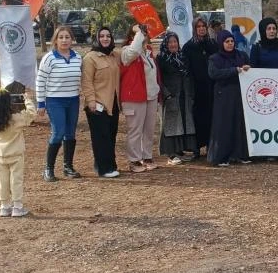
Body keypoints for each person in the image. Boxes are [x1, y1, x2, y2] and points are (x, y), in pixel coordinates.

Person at [36, 26, 83, 182]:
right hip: (55, 100)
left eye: (67, 37)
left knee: (70, 133)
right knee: (58, 132)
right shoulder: (49, 58)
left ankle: (68, 167)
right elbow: (40, 80)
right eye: (61, 37)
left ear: (72, 40)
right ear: (55, 40)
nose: (64, 40)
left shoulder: (78, 57)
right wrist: (40, 103)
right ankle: (48, 169)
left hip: (73, 99)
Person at [0, 87, 36, 217]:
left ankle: (4, 206)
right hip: (16, 154)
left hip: (0, 155)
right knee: (16, 180)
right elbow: (31, 114)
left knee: (2, 181)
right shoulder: (16, 119)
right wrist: (27, 99)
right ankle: (17, 206)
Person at [120, 24, 162, 173]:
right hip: (134, 97)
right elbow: (133, 51)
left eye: (145, 34)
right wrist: (137, 31)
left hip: (150, 96)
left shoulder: (149, 53)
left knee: (149, 129)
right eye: (141, 35)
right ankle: (134, 160)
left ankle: (147, 156)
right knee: (135, 130)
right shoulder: (126, 52)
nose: (145, 37)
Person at [80, 26, 121, 178]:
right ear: (97, 38)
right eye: (102, 36)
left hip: (113, 103)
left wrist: (139, 34)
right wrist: (91, 101)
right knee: (100, 138)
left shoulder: (113, 55)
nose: (105, 38)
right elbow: (86, 82)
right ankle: (103, 168)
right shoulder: (90, 58)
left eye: (108, 36)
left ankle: (111, 165)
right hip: (97, 105)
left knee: (110, 135)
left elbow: (131, 52)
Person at [208, 30, 251, 166]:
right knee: (224, 125)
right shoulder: (214, 58)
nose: (230, 44)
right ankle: (222, 156)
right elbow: (214, 73)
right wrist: (234, 70)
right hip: (223, 95)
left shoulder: (241, 55)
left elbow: (249, 69)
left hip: (239, 94)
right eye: (227, 41)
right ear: (221, 43)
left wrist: (247, 68)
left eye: (232, 41)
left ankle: (240, 154)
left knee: (240, 124)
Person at [157, 32, 197, 165]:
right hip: (170, 96)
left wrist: (190, 94)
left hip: (184, 95)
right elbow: (158, 79)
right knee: (170, 124)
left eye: (175, 42)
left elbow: (189, 76)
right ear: (166, 44)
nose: (173, 44)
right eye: (170, 42)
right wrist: (166, 94)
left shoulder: (182, 57)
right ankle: (171, 153)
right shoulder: (161, 58)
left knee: (183, 123)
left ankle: (180, 150)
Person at [183, 17, 218, 155]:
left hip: (212, 87)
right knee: (197, 118)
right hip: (196, 89)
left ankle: (211, 145)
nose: (202, 28)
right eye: (198, 26)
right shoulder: (188, 47)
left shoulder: (213, 44)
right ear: (194, 29)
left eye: (204, 26)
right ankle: (196, 146)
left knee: (211, 117)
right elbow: (187, 69)